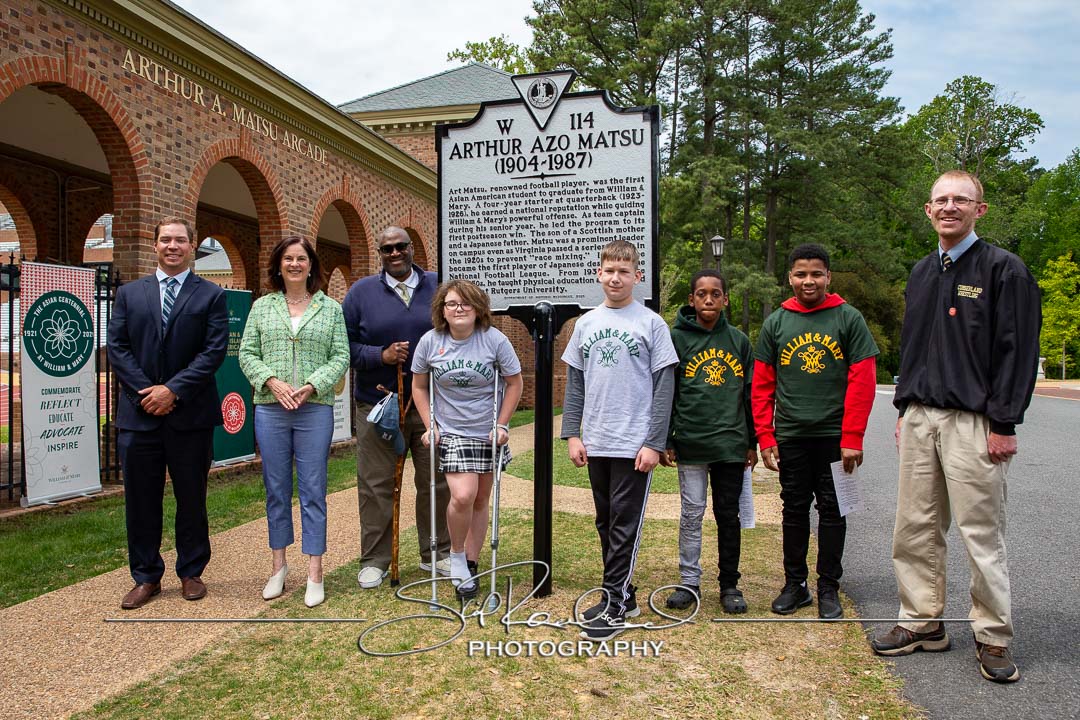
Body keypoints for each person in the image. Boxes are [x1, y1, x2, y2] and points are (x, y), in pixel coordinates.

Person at [871, 170, 1041, 684]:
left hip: (975, 421)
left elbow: (1018, 350)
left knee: (980, 533)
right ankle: (922, 621)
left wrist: (1004, 422)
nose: (949, 207)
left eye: (960, 200)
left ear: (978, 211)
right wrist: (906, 410)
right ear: (928, 210)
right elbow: (915, 346)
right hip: (921, 416)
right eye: (941, 200)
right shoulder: (922, 272)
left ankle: (992, 635)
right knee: (915, 528)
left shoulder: (1004, 271)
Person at [751, 243, 878, 620]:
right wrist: (765, 435)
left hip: (836, 439)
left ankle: (828, 588)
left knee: (834, 511)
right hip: (791, 436)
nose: (809, 281)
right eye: (801, 274)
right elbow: (762, 385)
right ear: (789, 278)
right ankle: (795, 585)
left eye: (816, 274)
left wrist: (853, 437)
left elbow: (863, 380)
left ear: (828, 277)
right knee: (793, 510)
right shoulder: (777, 322)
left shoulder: (848, 318)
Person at [107, 217, 228, 609]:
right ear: (155, 245)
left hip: (189, 415)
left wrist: (172, 390)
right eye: (165, 240)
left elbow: (213, 352)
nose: (172, 246)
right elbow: (117, 347)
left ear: (193, 246)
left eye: (180, 240)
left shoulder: (210, 295)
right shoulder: (129, 294)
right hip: (138, 414)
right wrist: (148, 392)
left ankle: (191, 572)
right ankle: (145, 577)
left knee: (191, 497)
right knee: (141, 500)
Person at [561, 239, 678, 640]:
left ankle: (612, 606)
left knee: (625, 523)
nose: (616, 277)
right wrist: (572, 433)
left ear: (637, 276)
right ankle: (623, 593)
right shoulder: (586, 324)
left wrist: (653, 442)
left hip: (633, 442)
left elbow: (664, 387)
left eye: (624, 271)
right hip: (596, 439)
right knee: (606, 520)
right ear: (599, 273)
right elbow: (575, 384)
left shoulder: (650, 323)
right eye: (609, 270)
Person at [239, 236, 349, 608]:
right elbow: (246, 353)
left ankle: (315, 571)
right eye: (288, 258)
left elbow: (341, 355)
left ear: (311, 265)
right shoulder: (262, 307)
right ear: (279, 264)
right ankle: (278, 566)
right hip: (271, 408)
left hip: (313, 409)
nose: (295, 264)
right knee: (276, 488)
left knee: (314, 490)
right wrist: (272, 381)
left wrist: (311, 385)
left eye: (301, 258)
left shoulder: (330, 308)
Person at [341, 226, 450, 589]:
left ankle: (436, 551)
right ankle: (375, 559)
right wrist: (380, 355)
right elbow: (344, 348)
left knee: (435, 480)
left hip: (431, 404)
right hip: (378, 403)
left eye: (400, 246)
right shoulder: (360, 294)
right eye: (386, 249)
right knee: (375, 484)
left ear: (412, 248)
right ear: (380, 253)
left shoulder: (440, 284)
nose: (394, 253)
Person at [410, 280, 523, 598]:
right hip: (452, 432)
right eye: (451, 304)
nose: (458, 309)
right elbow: (419, 386)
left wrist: (502, 424)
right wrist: (430, 422)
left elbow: (514, 383)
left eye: (465, 304)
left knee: (480, 499)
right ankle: (456, 556)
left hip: (487, 431)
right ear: (441, 310)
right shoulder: (430, 343)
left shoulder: (494, 341)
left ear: (478, 309)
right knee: (462, 495)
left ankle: (471, 564)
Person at [660, 269, 757, 614]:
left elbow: (749, 394)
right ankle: (689, 581)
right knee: (691, 513)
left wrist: (752, 440)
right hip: (691, 441)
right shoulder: (676, 339)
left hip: (730, 442)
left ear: (725, 299)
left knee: (727, 515)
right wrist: (666, 436)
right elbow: (667, 392)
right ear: (691, 300)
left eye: (716, 294)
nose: (709, 300)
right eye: (702, 294)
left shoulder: (739, 341)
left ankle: (729, 584)